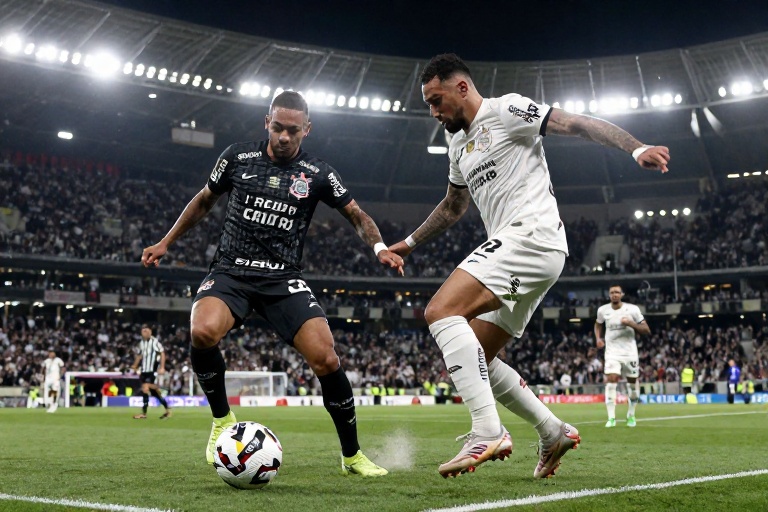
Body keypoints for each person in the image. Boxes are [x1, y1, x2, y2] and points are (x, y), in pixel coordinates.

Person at [388, 54, 669, 478]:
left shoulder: (506, 110)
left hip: (531, 236)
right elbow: (453, 206)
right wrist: (409, 244)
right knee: (477, 356)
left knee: (440, 311)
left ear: (461, 87)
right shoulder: (457, 143)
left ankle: (487, 430)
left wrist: (636, 147)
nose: (433, 112)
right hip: (522, 249)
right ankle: (552, 431)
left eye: (436, 100)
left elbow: (575, 123)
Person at [141, 91, 403, 477]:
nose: (283, 136)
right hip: (231, 272)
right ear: (267, 122)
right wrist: (166, 241)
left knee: (326, 358)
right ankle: (221, 419)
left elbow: (356, 215)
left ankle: (352, 456)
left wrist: (379, 247)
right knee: (202, 330)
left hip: (283, 279)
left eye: (293, 130)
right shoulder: (237, 157)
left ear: (307, 129)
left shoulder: (318, 173)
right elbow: (204, 200)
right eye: (277, 127)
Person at [595, 284, 651, 427]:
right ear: (609, 295)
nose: (614, 294)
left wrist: (631, 323)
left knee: (632, 384)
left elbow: (646, 330)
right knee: (611, 380)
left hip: (630, 353)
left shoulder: (633, 309)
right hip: (612, 353)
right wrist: (598, 338)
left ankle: (631, 415)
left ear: (622, 294)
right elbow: (598, 324)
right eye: (612, 292)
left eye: (617, 292)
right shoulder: (602, 310)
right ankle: (611, 418)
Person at [130, 324, 172, 419]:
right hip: (144, 371)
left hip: (151, 370)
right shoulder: (142, 343)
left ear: (150, 332)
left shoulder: (154, 342)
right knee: (154, 393)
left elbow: (162, 353)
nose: (145, 333)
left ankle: (144, 413)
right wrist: (135, 365)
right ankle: (168, 410)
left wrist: (162, 367)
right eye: (143, 331)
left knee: (145, 387)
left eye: (146, 331)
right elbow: (139, 355)